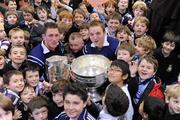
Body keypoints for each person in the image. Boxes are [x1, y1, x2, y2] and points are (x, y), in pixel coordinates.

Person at [128, 55, 165, 120]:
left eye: (148, 68)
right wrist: (132, 75)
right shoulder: (134, 78)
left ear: (154, 72)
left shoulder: (157, 92)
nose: (144, 69)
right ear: (138, 67)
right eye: (142, 66)